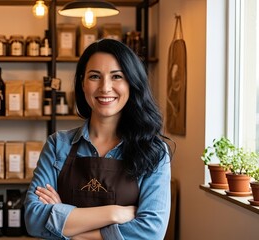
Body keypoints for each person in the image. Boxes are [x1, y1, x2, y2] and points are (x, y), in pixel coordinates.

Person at [23, 38, 172, 240]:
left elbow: (150, 232)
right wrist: (115, 213)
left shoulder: (155, 151)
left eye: (117, 76)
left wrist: (68, 227)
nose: (105, 87)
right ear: (82, 83)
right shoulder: (58, 145)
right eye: (95, 76)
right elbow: (34, 220)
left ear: (131, 83)